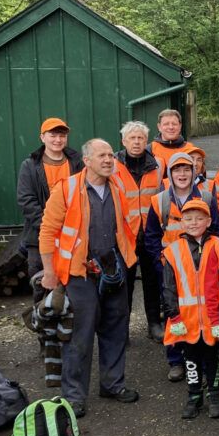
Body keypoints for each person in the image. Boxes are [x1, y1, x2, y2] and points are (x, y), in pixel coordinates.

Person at [38, 138, 140, 418]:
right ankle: (74, 396)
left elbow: (127, 225)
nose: (109, 160)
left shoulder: (117, 186)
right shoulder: (67, 189)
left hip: (112, 270)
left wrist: (125, 259)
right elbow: (47, 232)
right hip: (79, 273)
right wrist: (49, 271)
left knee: (116, 329)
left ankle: (112, 384)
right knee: (80, 336)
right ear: (87, 161)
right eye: (102, 156)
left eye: (111, 155)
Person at [145, 152, 219, 382]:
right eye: (177, 169)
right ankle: (177, 361)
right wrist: (162, 263)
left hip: (203, 267)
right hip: (171, 270)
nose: (182, 174)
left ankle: (208, 357)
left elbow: (217, 229)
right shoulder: (159, 201)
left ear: (194, 171)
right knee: (174, 312)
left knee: (205, 309)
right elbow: (151, 237)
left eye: (187, 169)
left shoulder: (207, 198)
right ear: (170, 173)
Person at [161, 199, 219, 420]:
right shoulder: (173, 251)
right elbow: (168, 287)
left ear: (209, 221)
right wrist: (174, 315)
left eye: (199, 218)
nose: (194, 223)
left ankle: (214, 395)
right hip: (186, 319)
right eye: (188, 219)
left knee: (213, 358)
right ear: (181, 222)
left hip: (212, 318)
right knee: (190, 359)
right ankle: (193, 396)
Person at [17, 117, 83, 302]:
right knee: (41, 283)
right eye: (52, 135)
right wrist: (50, 225)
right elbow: (26, 201)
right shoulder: (29, 166)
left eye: (62, 135)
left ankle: (69, 326)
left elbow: (85, 194)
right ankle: (44, 326)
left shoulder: (77, 162)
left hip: (73, 238)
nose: (58, 140)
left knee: (72, 285)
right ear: (42, 137)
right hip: (38, 238)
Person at [112, 121, 163, 340]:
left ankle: (154, 324)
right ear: (123, 141)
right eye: (132, 138)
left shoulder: (158, 165)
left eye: (141, 138)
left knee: (152, 283)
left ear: (147, 141)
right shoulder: (113, 165)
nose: (136, 142)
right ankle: (122, 329)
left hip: (151, 234)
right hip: (124, 234)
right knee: (124, 284)